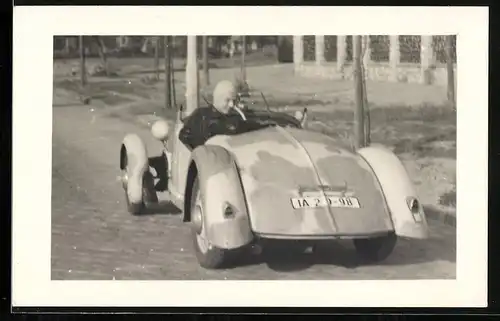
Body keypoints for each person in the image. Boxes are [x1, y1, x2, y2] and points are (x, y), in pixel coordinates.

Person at [178, 80, 246, 149]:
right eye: (227, 100)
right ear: (218, 98)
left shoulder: (235, 117)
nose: (231, 105)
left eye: (234, 101)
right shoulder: (201, 115)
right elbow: (184, 138)